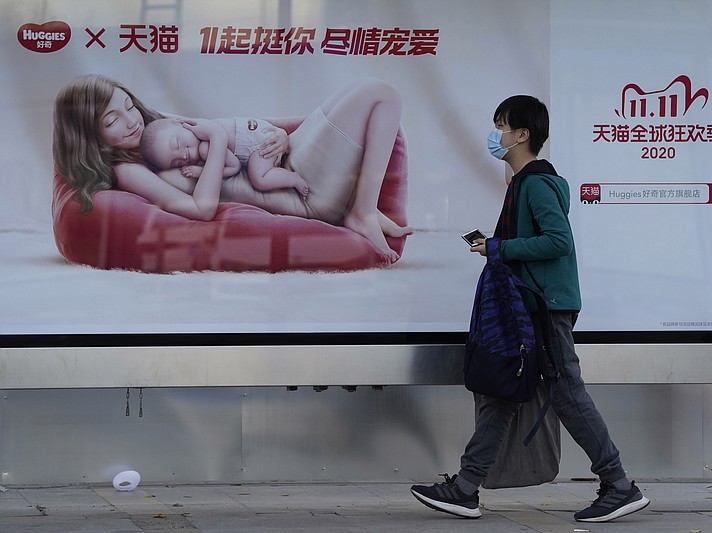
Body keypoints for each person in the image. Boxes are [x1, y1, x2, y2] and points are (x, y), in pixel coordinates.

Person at [410, 95, 650, 523]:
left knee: (566, 393)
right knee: (504, 390)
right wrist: (497, 246)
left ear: (522, 134)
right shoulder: (522, 183)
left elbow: (559, 241)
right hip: (530, 303)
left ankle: (619, 485)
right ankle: (466, 487)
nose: (495, 134)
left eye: (501, 126)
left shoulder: (537, 183)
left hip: (544, 306)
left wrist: (500, 247)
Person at [52, 74, 411, 263]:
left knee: (367, 95)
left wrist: (282, 139)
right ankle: (361, 211)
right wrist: (218, 145)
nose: (131, 121)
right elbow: (202, 209)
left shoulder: (153, 127)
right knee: (380, 93)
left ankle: (360, 206)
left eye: (129, 105)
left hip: (284, 162)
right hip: (301, 192)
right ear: (90, 137)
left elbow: (236, 129)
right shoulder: (129, 171)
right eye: (112, 120)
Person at [139, 116, 310, 199]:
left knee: (259, 179)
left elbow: (233, 166)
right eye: (176, 162)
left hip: (260, 144)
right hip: (262, 132)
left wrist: (201, 172)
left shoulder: (206, 145)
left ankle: (293, 179)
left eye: (177, 144)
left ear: (178, 122)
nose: (184, 155)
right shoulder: (201, 125)